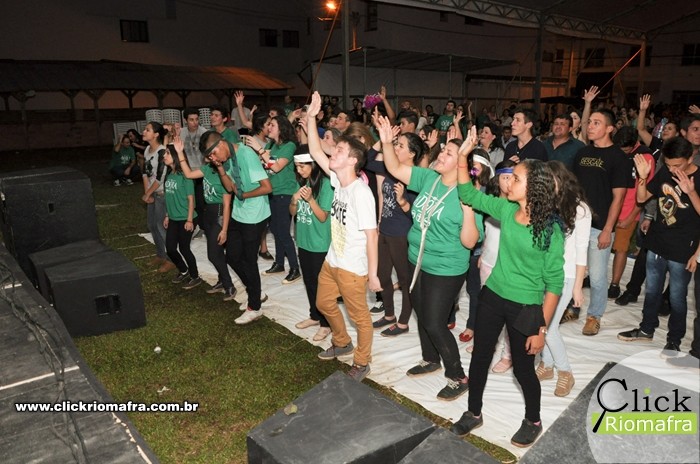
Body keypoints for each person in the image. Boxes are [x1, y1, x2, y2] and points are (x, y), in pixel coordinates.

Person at [451, 126, 564, 448]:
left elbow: (554, 284)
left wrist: (541, 329)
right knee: (480, 358)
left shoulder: (550, 231)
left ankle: (533, 420)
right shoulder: (507, 209)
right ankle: (473, 412)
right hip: (493, 296)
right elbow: (468, 195)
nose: (507, 182)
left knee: (523, 371)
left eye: (515, 178)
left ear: (534, 188)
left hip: (525, 307)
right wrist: (463, 157)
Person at [377, 115, 479, 401]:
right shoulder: (429, 178)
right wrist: (386, 143)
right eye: (443, 150)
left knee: (434, 322)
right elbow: (395, 167)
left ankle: (458, 376)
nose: (440, 154)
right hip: (417, 259)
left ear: (461, 163)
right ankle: (430, 358)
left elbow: (470, 242)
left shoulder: (467, 194)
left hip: (446, 267)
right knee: (422, 314)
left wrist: (468, 207)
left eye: (448, 153)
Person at [305, 91, 381, 383]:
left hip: (352, 268)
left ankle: (362, 362)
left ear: (352, 160)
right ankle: (342, 342)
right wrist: (311, 117)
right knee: (323, 304)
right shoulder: (339, 180)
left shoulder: (361, 194)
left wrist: (372, 275)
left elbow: (372, 236)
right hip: (332, 260)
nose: (332, 153)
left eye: (338, 151)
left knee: (361, 318)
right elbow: (315, 151)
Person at [618, 137, 700, 353]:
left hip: (683, 248)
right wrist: (643, 177)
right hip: (657, 241)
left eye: (677, 165)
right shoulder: (666, 172)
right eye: (669, 164)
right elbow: (642, 198)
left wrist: (691, 191)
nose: (673, 169)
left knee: (677, 298)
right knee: (652, 291)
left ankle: (674, 340)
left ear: (690, 158)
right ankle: (646, 329)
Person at [563, 109, 628, 336]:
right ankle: (571, 307)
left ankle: (594, 316)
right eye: (589, 122)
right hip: (576, 222)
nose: (590, 126)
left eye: (596, 123)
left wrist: (608, 229)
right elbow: (573, 187)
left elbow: (619, 198)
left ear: (609, 128)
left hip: (600, 226)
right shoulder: (582, 153)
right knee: (571, 269)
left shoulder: (618, 157)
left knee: (598, 277)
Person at [199, 131, 272, 324]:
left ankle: (255, 307)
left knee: (249, 261)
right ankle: (255, 292)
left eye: (213, 154)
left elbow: (267, 187)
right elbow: (230, 188)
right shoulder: (227, 158)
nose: (213, 158)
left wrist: (244, 195)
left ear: (221, 144)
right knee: (231, 257)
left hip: (255, 214)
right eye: (210, 157)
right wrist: (220, 168)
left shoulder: (246, 155)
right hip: (239, 213)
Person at [539, 161, 591, 397]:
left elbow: (581, 250)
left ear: (560, 179)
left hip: (566, 275)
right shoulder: (547, 203)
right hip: (544, 272)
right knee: (542, 323)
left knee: (548, 328)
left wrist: (578, 287)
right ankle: (547, 365)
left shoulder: (580, 210)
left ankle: (565, 372)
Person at [366, 131, 421, 337]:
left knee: (405, 281)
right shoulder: (390, 168)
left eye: (400, 146)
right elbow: (366, 161)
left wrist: (403, 202)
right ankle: (389, 315)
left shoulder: (415, 178)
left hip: (401, 235)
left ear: (412, 153)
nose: (395, 148)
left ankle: (403, 322)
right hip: (384, 230)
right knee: (382, 276)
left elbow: (416, 214)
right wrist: (383, 141)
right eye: (396, 144)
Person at [173, 135, 236, 301]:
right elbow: (188, 174)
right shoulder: (207, 169)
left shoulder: (224, 174)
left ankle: (229, 285)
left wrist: (224, 229)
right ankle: (222, 281)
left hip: (219, 214)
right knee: (217, 252)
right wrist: (180, 152)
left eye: (211, 154)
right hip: (208, 214)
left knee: (213, 255)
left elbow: (227, 205)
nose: (209, 156)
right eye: (208, 154)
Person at [245, 116, 301, 284]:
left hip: (285, 192)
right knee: (276, 230)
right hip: (272, 192)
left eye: (272, 125)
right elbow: (264, 164)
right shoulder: (271, 145)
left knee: (282, 231)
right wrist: (262, 154)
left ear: (281, 128)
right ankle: (279, 263)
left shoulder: (289, 146)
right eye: (268, 125)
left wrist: (260, 150)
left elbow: (276, 167)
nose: (269, 127)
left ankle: (295, 268)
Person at [607, 127, 655, 300]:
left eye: (626, 150)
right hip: (610, 205)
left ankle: (614, 284)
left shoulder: (646, 157)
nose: (622, 153)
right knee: (602, 244)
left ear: (634, 144)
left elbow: (646, 192)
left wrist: (631, 216)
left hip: (628, 209)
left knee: (621, 248)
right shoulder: (615, 151)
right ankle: (595, 276)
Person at [290, 153, 333, 341]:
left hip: (319, 243)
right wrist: (294, 200)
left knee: (321, 285)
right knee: (308, 281)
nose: (299, 170)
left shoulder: (326, 184)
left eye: (302, 166)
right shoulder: (302, 182)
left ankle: (326, 324)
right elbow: (292, 212)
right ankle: (314, 316)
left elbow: (323, 217)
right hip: (303, 240)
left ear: (314, 165)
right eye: (297, 167)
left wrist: (310, 200)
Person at [162, 144, 202, 290]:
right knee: (170, 249)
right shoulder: (169, 174)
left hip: (186, 218)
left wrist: (189, 220)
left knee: (184, 248)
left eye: (167, 153)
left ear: (175, 156)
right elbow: (168, 197)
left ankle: (195, 276)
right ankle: (184, 270)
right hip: (173, 218)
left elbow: (191, 199)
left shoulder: (186, 175)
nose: (164, 156)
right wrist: (167, 215)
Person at [141, 121, 174, 272]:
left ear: (156, 134)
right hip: (152, 192)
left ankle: (171, 259)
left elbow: (161, 177)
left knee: (162, 227)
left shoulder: (162, 152)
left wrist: (148, 193)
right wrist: (147, 193)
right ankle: (161, 254)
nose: (144, 131)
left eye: (147, 130)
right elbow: (145, 173)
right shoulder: (147, 150)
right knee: (152, 225)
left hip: (162, 193)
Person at [181, 108, 209, 235]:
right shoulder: (181, 132)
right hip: (187, 171)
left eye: (197, 119)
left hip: (201, 172)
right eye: (191, 120)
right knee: (188, 200)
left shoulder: (204, 132)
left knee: (201, 202)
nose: (195, 122)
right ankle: (191, 224)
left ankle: (202, 226)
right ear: (185, 120)